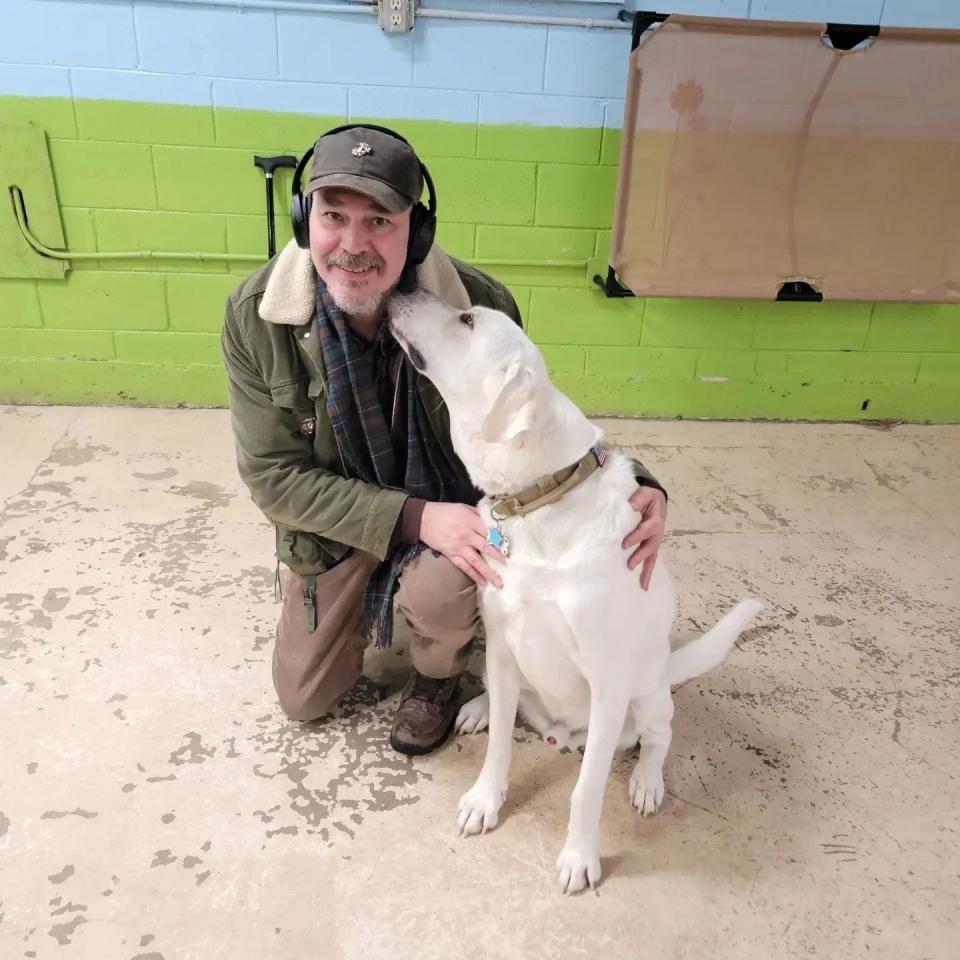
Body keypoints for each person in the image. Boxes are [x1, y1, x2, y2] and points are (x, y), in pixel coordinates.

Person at [221, 124, 668, 756]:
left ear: (417, 230)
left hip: (455, 517)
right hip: (335, 526)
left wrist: (638, 479)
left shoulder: (480, 304)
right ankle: (352, 598)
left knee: (450, 585)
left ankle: (438, 674)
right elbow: (274, 478)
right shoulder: (255, 316)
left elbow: (533, 422)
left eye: (380, 221)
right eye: (334, 217)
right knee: (304, 698)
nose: (353, 245)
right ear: (304, 220)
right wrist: (412, 517)